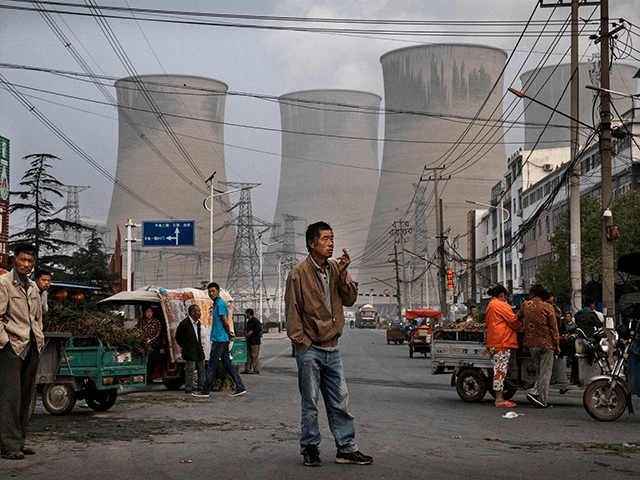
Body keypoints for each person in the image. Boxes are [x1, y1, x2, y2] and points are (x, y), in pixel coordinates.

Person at [285, 221, 373, 467]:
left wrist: (344, 272)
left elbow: (350, 299)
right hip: (310, 349)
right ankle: (310, 448)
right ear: (311, 244)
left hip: (332, 349)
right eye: (325, 239)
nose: (331, 243)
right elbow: (292, 313)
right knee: (310, 403)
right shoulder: (298, 273)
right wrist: (302, 344)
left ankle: (346, 448)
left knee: (340, 401)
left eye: (332, 238)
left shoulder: (335, 268)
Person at [0, 244, 44, 460]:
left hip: (32, 346)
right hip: (11, 348)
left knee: (26, 397)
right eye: (23, 260)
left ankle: (19, 441)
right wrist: (5, 342)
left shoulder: (33, 287)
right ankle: (8, 446)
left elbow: (37, 318)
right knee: (10, 398)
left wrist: (39, 339)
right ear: (14, 261)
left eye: (31, 261)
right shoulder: (4, 284)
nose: (27, 264)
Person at [192, 282, 246, 398]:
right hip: (221, 339)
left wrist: (228, 333)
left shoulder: (220, 304)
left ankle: (205, 391)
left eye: (213, 291)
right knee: (227, 364)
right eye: (209, 292)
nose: (211, 293)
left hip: (220, 340)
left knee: (211, 365)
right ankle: (240, 387)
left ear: (218, 291)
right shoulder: (216, 304)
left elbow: (225, 321)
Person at [518, 285, 560, 408]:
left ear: (532, 294)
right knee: (545, 373)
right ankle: (542, 400)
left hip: (531, 344)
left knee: (539, 371)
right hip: (547, 344)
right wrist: (557, 345)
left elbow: (517, 319)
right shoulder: (548, 307)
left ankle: (535, 393)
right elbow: (554, 328)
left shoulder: (526, 305)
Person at [485, 285, 522, 408]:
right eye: (506, 296)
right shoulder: (502, 305)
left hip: (493, 341)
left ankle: (499, 397)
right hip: (502, 341)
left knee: (498, 369)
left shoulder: (490, 305)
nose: (506, 299)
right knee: (500, 371)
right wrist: (521, 327)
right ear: (502, 295)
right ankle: (499, 399)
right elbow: (513, 321)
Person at [176, 304, 206, 394]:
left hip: (198, 349)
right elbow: (178, 338)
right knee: (190, 369)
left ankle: (201, 387)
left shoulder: (198, 323)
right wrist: (185, 346)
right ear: (193, 313)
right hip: (190, 350)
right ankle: (188, 388)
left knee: (202, 369)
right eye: (198, 311)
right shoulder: (184, 324)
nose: (200, 313)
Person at [137, 306, 164, 377]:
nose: (149, 314)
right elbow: (139, 331)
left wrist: (151, 340)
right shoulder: (141, 321)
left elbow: (159, 333)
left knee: (153, 358)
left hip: (154, 343)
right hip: (144, 343)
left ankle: (150, 374)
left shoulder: (156, 321)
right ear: (144, 313)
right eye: (147, 312)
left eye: (151, 312)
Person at [242, 308, 261, 374]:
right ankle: (247, 369)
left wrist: (251, 332)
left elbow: (258, 329)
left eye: (246, 313)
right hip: (249, 341)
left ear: (249, 313)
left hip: (255, 342)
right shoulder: (248, 322)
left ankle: (256, 369)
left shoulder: (255, 321)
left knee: (254, 356)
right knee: (247, 356)